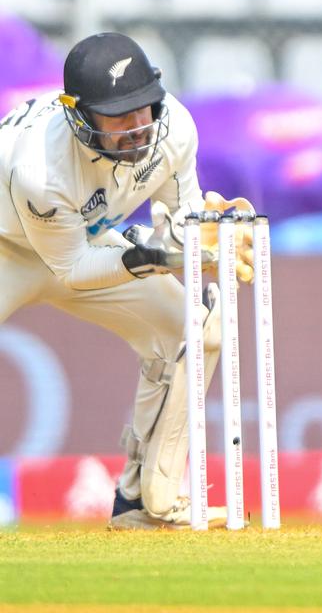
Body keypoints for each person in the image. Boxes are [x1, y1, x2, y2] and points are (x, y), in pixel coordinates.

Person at [0, 32, 254, 529]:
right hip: (9, 247)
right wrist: (153, 255)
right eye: (118, 116)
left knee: (190, 330)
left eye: (143, 108)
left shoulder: (173, 127)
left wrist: (207, 235)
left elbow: (180, 221)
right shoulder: (40, 170)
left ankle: (144, 502)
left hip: (84, 239)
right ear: (80, 117)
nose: (138, 127)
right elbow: (71, 271)